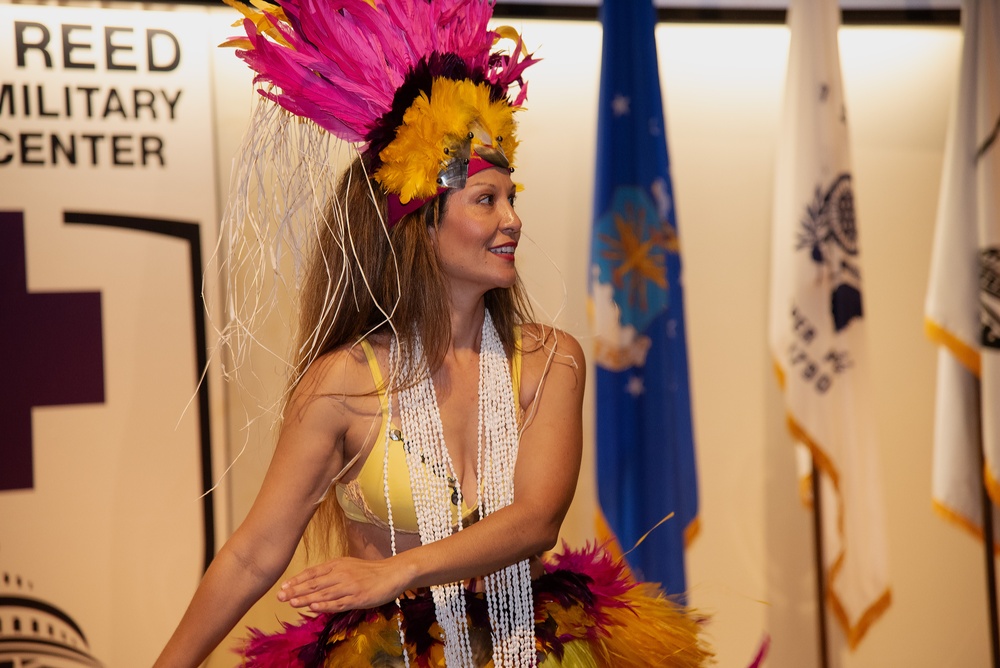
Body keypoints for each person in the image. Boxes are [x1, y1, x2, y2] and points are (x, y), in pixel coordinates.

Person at [155, 1, 712, 666]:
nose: (512, 220)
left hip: (530, 646)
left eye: (512, 197)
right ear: (420, 222)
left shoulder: (548, 362)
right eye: (487, 200)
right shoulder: (343, 385)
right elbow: (252, 554)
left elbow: (536, 520)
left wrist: (397, 571)